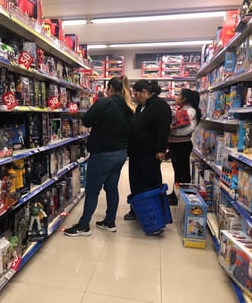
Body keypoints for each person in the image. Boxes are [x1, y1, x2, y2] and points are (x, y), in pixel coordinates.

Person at [64, 76, 135, 236]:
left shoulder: (105, 102)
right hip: (121, 152)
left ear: (109, 88)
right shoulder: (129, 106)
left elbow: (87, 120)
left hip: (103, 153)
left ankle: (83, 226)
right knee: (111, 188)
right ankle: (110, 222)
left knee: (92, 190)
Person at [124, 80, 172, 221]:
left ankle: (155, 212)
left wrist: (161, 149)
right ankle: (137, 209)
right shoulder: (141, 107)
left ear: (145, 92)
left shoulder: (160, 106)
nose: (135, 97)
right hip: (136, 152)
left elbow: (163, 129)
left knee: (151, 182)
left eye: (137, 94)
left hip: (150, 152)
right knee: (136, 182)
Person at [167, 88, 202, 205]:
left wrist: (171, 130)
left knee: (183, 172)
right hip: (175, 144)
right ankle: (175, 193)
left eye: (178, 95)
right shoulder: (182, 109)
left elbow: (187, 128)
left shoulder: (189, 110)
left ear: (184, 98)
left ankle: (184, 196)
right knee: (177, 171)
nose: (176, 97)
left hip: (181, 144)